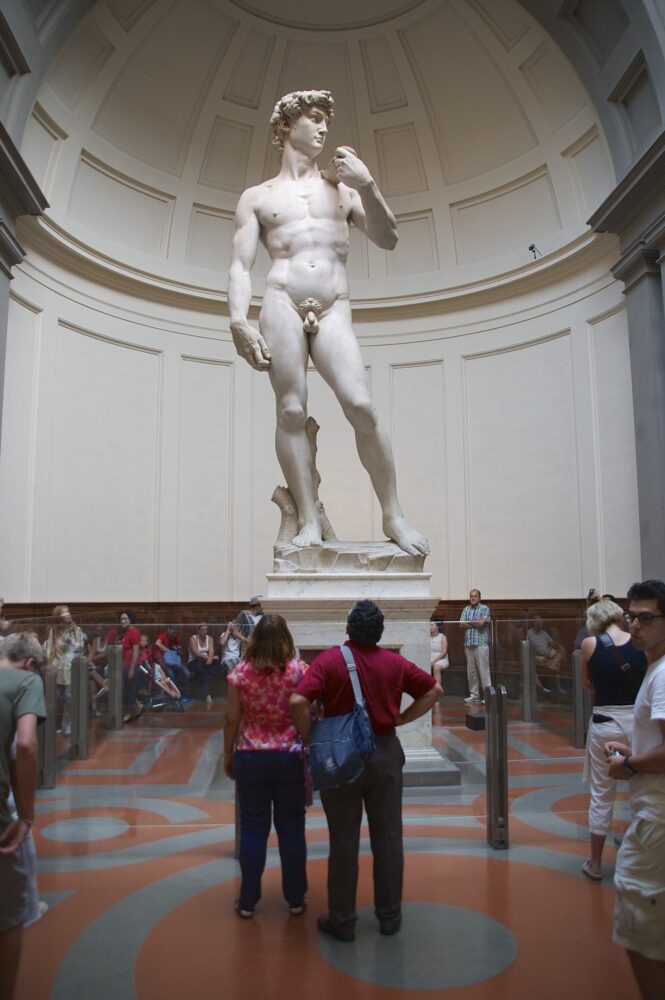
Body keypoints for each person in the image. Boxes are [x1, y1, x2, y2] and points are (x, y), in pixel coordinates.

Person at [228, 90, 428, 557]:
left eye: (325, 121)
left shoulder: (344, 191)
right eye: (314, 119)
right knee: (291, 412)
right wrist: (238, 320)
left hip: (334, 304)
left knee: (361, 406)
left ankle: (393, 513)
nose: (322, 129)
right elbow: (240, 266)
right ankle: (310, 518)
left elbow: (389, 237)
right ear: (286, 126)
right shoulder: (258, 197)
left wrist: (370, 184)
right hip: (281, 299)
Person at [290, 600, 441, 942]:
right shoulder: (394, 662)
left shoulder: (329, 661)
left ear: (348, 628)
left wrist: (310, 737)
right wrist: (402, 718)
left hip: (342, 757)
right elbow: (434, 690)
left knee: (343, 840)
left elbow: (298, 702)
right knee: (388, 838)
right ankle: (390, 916)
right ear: (380, 632)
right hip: (385, 753)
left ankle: (343, 920)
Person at [223, 614, 309, 918]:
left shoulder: (240, 674)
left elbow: (232, 718)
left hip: (251, 755)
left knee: (253, 829)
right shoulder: (299, 671)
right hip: (289, 757)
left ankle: (248, 900)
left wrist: (227, 753)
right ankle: (296, 897)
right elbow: (309, 710)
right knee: (292, 828)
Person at [605, 580, 665, 1000]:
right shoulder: (654, 670)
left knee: (642, 931)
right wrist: (636, 750)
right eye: (632, 617)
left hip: (657, 820)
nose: (636, 626)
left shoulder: (662, 676)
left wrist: (628, 764)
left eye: (646, 618)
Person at [579, 599, 646, 880]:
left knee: (602, 793)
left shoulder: (590, 644)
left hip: (605, 722)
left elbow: (587, 683)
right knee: (642, 789)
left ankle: (595, 862)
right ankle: (641, 854)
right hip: (639, 723)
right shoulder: (640, 643)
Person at [0, 633, 47, 1000]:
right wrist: (26, 816)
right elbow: (27, 744)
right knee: (9, 915)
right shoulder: (27, 680)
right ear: (31, 663)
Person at [43, 604, 86, 735]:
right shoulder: (54, 631)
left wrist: (72, 643)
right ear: (58, 616)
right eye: (63, 612)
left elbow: (81, 647)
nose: (67, 614)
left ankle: (68, 724)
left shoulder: (76, 630)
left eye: (68, 611)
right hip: (58, 668)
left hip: (70, 667)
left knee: (69, 698)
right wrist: (48, 665)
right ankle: (58, 723)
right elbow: (49, 648)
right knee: (57, 698)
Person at [459, 589, 491, 704]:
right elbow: (461, 625)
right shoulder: (465, 609)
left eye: (475, 596)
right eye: (471, 596)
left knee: (484, 670)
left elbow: (482, 624)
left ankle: (488, 696)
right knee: (471, 671)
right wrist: (475, 622)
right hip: (468, 643)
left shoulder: (484, 608)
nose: (473, 598)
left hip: (481, 643)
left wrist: (470, 622)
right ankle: (474, 695)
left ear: (479, 598)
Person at [527, 616, 565, 695]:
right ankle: (542, 688)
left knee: (561, 652)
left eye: (542, 622)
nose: (542, 623)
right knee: (531, 665)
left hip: (547, 651)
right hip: (536, 654)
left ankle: (552, 665)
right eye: (539, 622)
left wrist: (557, 645)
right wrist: (539, 652)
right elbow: (527, 646)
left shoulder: (544, 632)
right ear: (534, 623)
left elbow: (552, 642)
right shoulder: (529, 632)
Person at [154, 626, 192, 703]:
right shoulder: (163, 635)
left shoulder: (177, 638)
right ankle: (175, 696)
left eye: (176, 632)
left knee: (186, 673)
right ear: (169, 630)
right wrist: (168, 651)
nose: (174, 634)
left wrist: (179, 651)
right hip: (165, 663)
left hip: (175, 662)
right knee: (170, 674)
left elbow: (178, 651)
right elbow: (157, 643)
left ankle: (185, 695)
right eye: (173, 631)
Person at [118, 610, 142, 723]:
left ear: (130, 620)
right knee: (128, 690)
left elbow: (136, 651)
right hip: (125, 665)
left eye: (125, 619)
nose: (122, 621)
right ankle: (137, 707)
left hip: (131, 666)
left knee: (130, 691)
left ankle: (130, 712)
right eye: (121, 619)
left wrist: (132, 668)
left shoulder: (134, 632)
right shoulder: (125, 632)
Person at [187, 624, 218, 705]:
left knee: (216, 667)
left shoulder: (210, 638)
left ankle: (211, 692)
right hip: (194, 661)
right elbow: (197, 653)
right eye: (202, 630)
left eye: (206, 630)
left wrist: (211, 658)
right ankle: (208, 695)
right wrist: (209, 658)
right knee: (201, 669)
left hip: (206, 660)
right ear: (198, 630)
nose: (204, 631)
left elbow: (211, 650)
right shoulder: (193, 638)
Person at [429, 621, 448, 686]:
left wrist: (433, 662)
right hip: (428, 658)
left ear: (437, 627)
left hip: (441, 659)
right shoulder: (425, 636)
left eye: (431, 625)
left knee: (436, 668)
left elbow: (444, 652)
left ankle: (437, 692)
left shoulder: (442, 636)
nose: (429, 627)